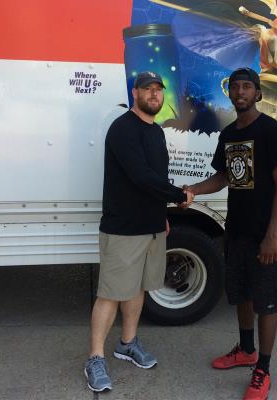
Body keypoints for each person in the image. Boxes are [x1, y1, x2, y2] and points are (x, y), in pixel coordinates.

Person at [84, 71, 194, 392]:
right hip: (123, 229)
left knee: (139, 288)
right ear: (135, 93)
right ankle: (95, 358)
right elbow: (141, 176)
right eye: (148, 89)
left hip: (152, 227)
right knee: (111, 293)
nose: (154, 94)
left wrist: (162, 215)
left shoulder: (156, 131)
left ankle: (127, 343)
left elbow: (155, 177)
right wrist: (178, 195)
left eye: (158, 89)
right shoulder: (123, 129)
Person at [186, 67, 277, 400]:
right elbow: (224, 177)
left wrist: (272, 234)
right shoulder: (229, 134)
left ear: (257, 94)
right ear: (229, 93)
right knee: (242, 293)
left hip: (263, 233)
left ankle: (263, 369)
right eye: (235, 87)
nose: (241, 91)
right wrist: (193, 190)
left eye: (247, 86)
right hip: (236, 230)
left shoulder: (272, 131)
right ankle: (246, 350)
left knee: (266, 302)